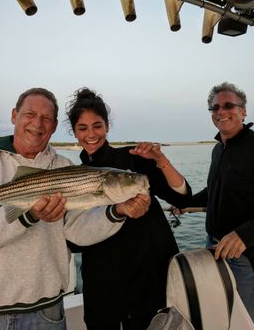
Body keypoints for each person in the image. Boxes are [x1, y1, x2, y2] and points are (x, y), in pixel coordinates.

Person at [0, 87, 147, 330]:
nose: (37, 123)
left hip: (48, 309)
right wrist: (29, 215)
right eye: (30, 114)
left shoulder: (63, 165)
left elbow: (76, 231)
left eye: (46, 118)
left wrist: (116, 212)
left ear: (54, 126)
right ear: (15, 115)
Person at [66, 87, 191, 330]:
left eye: (97, 125)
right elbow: (75, 241)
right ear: (74, 132)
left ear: (107, 126)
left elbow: (183, 199)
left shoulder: (135, 160)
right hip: (102, 289)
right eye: (83, 128)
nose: (91, 134)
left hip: (149, 283)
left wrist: (160, 161)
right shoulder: (71, 176)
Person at [180, 81, 254, 330]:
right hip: (215, 247)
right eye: (215, 107)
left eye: (228, 105)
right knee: (223, 317)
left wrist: (245, 235)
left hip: (247, 256)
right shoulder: (218, 150)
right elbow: (214, 192)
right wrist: (184, 203)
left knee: (249, 324)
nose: (221, 112)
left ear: (243, 111)